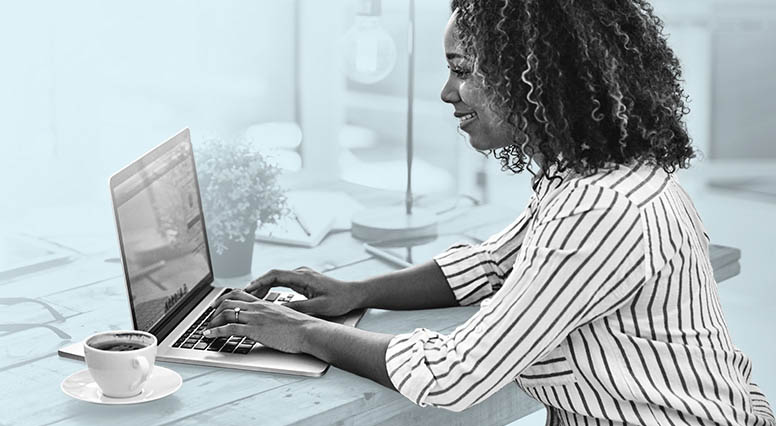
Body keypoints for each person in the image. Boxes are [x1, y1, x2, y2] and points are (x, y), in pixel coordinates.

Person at [204, 1, 775, 424]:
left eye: (463, 68)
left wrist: (303, 332)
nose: (448, 93)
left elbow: (456, 375)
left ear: (535, 76)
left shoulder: (600, 208)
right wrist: (356, 293)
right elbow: (489, 266)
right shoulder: (595, 175)